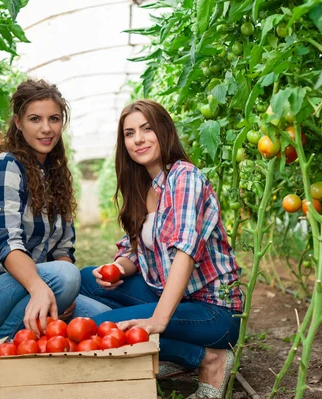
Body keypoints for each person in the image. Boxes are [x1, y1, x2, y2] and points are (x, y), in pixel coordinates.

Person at [79, 100, 243, 399]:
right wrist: (117, 268)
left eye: (146, 128)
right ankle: (171, 349)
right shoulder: (144, 187)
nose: (138, 139)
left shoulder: (184, 177)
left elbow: (185, 252)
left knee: (101, 326)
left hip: (211, 311)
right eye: (129, 133)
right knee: (84, 280)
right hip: (165, 293)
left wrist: (158, 320)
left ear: (164, 131)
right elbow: (133, 252)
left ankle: (210, 358)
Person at [0, 79, 96, 389]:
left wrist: (61, 293)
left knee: (99, 318)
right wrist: (45, 287)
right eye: (35, 119)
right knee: (66, 278)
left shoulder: (56, 176)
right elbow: (8, 243)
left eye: (54, 119)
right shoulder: (5, 167)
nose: (46, 128)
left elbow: (63, 249)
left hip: (31, 288)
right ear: (18, 123)